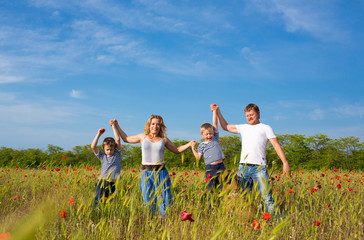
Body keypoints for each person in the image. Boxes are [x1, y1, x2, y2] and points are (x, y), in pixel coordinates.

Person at [211, 103, 291, 214]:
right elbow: (225, 126)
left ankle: (275, 222)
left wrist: (285, 163)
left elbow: (276, 145)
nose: (249, 117)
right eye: (247, 115)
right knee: (244, 198)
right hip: (243, 168)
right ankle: (248, 221)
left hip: (259, 168)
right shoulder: (243, 127)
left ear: (258, 113)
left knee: (267, 198)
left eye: (252, 114)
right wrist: (218, 112)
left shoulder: (266, 128)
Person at [111, 115, 194, 216]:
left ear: (161, 126)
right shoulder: (142, 137)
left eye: (158, 124)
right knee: (147, 199)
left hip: (161, 173)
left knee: (164, 199)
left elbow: (177, 150)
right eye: (153, 124)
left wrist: (189, 144)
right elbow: (126, 139)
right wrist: (116, 126)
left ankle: (163, 221)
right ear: (149, 125)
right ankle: (150, 221)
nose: (155, 126)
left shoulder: (164, 139)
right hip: (146, 173)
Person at [191, 108, 226, 194]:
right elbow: (198, 157)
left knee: (223, 187)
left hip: (221, 166)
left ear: (213, 133)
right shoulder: (201, 145)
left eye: (210, 133)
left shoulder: (215, 139)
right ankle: (211, 206)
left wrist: (214, 111)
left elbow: (214, 123)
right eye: (206, 134)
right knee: (210, 188)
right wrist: (193, 149)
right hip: (210, 168)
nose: (209, 135)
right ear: (202, 135)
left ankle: (221, 204)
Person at [90, 125, 122, 205]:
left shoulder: (117, 154)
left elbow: (117, 139)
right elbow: (93, 147)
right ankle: (96, 213)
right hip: (102, 182)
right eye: (107, 149)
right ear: (103, 149)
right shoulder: (102, 156)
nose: (109, 151)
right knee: (98, 200)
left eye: (111, 149)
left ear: (114, 148)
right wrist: (99, 134)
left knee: (112, 202)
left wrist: (114, 126)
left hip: (114, 183)